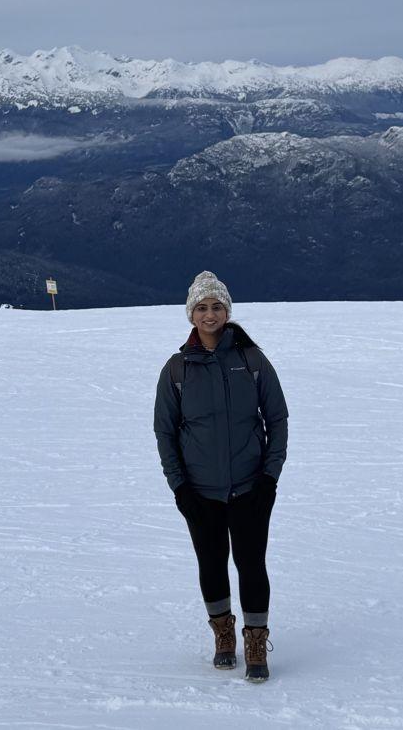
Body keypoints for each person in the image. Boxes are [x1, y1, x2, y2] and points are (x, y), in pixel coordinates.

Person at [153, 271, 289, 682]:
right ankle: (224, 637)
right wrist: (179, 486)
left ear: (227, 312)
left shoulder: (251, 361)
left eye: (216, 307)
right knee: (211, 563)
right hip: (201, 492)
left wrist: (269, 476)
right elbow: (165, 431)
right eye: (202, 307)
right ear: (191, 315)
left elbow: (277, 418)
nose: (209, 314)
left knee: (251, 565)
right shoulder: (177, 370)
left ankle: (255, 639)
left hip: (250, 487)